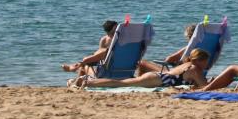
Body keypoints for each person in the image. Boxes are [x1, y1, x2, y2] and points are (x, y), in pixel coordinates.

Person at [71, 49, 209, 89]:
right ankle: (88, 82)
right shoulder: (195, 68)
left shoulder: (188, 64)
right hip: (156, 79)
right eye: (205, 61)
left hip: (157, 77)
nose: (206, 64)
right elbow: (204, 87)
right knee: (120, 83)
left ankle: (87, 81)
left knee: (121, 83)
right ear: (198, 60)